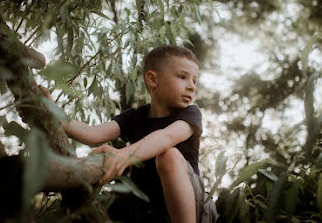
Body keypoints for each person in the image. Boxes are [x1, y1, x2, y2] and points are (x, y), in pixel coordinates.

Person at [44, 45, 217, 223]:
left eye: (195, 81)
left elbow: (166, 138)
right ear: (153, 79)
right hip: (149, 210)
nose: (191, 86)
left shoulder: (190, 114)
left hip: (194, 210)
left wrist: (123, 155)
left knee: (168, 155)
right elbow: (92, 133)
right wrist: (53, 113)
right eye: (182, 77)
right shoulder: (135, 117)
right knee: (113, 203)